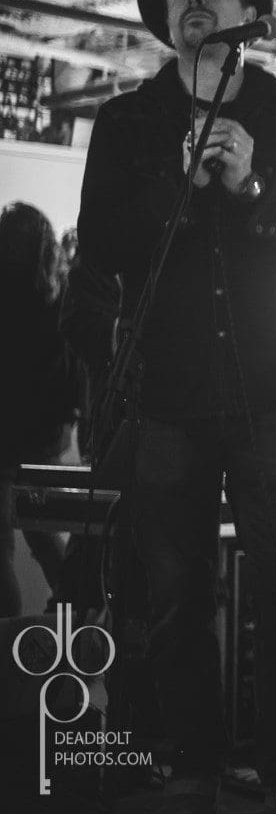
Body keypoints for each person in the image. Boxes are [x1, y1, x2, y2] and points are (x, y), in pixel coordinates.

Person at [77, 0, 276, 814]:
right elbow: (103, 243)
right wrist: (179, 184)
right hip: (168, 394)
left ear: (249, 16)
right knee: (175, 597)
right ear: (165, 23)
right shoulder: (127, 123)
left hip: (273, 391)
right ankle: (190, 766)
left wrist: (251, 183)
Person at [0, 202, 79, 615]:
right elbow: (72, 372)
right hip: (44, 439)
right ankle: (76, 620)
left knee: (3, 550)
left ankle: (8, 644)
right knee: (44, 537)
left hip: (6, 438)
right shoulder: (58, 300)